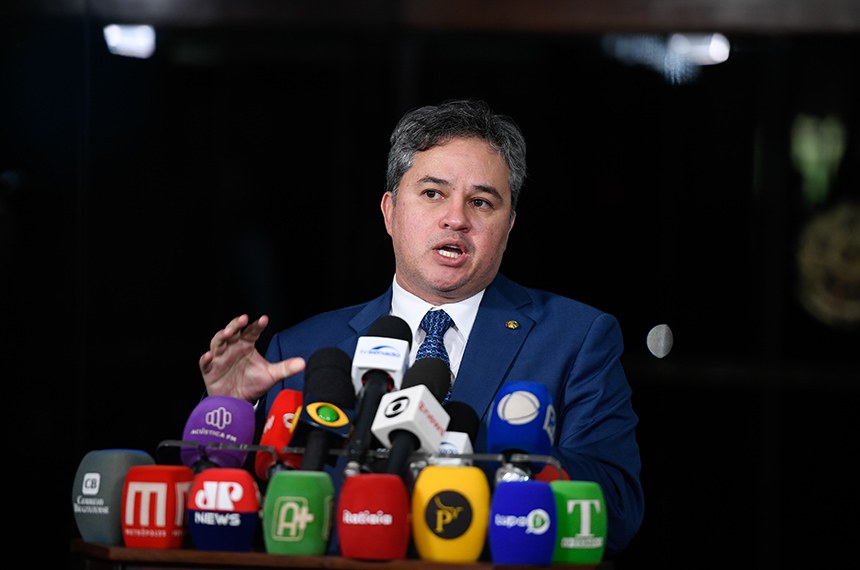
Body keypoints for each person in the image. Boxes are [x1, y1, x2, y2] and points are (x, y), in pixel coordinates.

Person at [199, 98, 645, 555]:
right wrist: (229, 413)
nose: (457, 219)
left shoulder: (576, 339)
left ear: (509, 226)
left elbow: (616, 506)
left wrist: (484, 462)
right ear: (390, 212)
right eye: (433, 193)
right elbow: (239, 518)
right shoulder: (302, 351)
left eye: (481, 202)